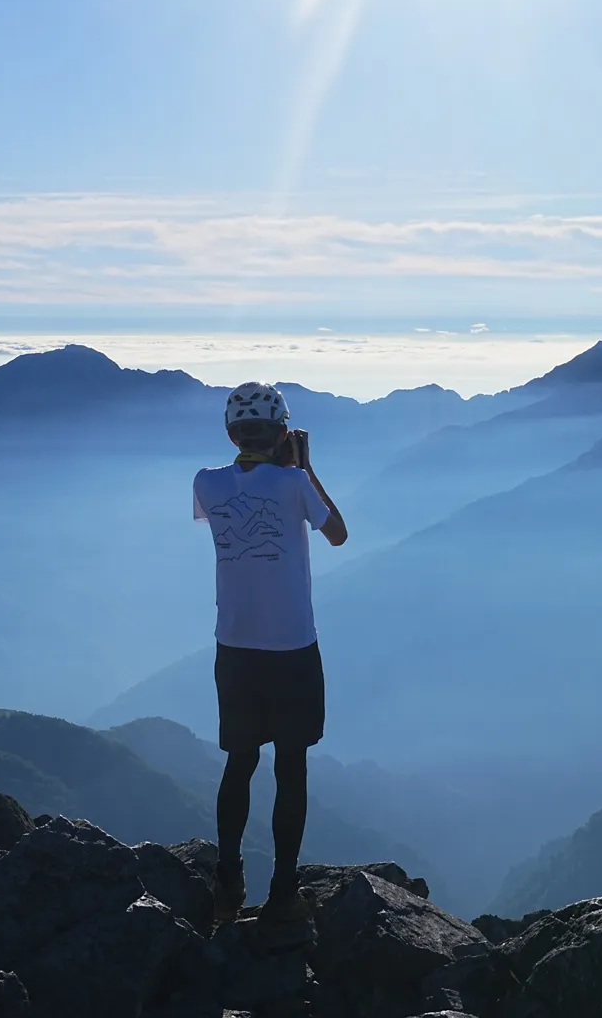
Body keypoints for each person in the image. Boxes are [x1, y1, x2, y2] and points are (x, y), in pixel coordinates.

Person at [192, 382, 348, 927]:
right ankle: (283, 890)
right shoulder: (294, 483)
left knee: (239, 762)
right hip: (291, 649)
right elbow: (338, 533)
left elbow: (235, 504)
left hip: (234, 646)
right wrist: (305, 467)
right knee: (291, 767)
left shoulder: (206, 484)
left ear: (231, 432)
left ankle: (227, 878)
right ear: (284, 433)